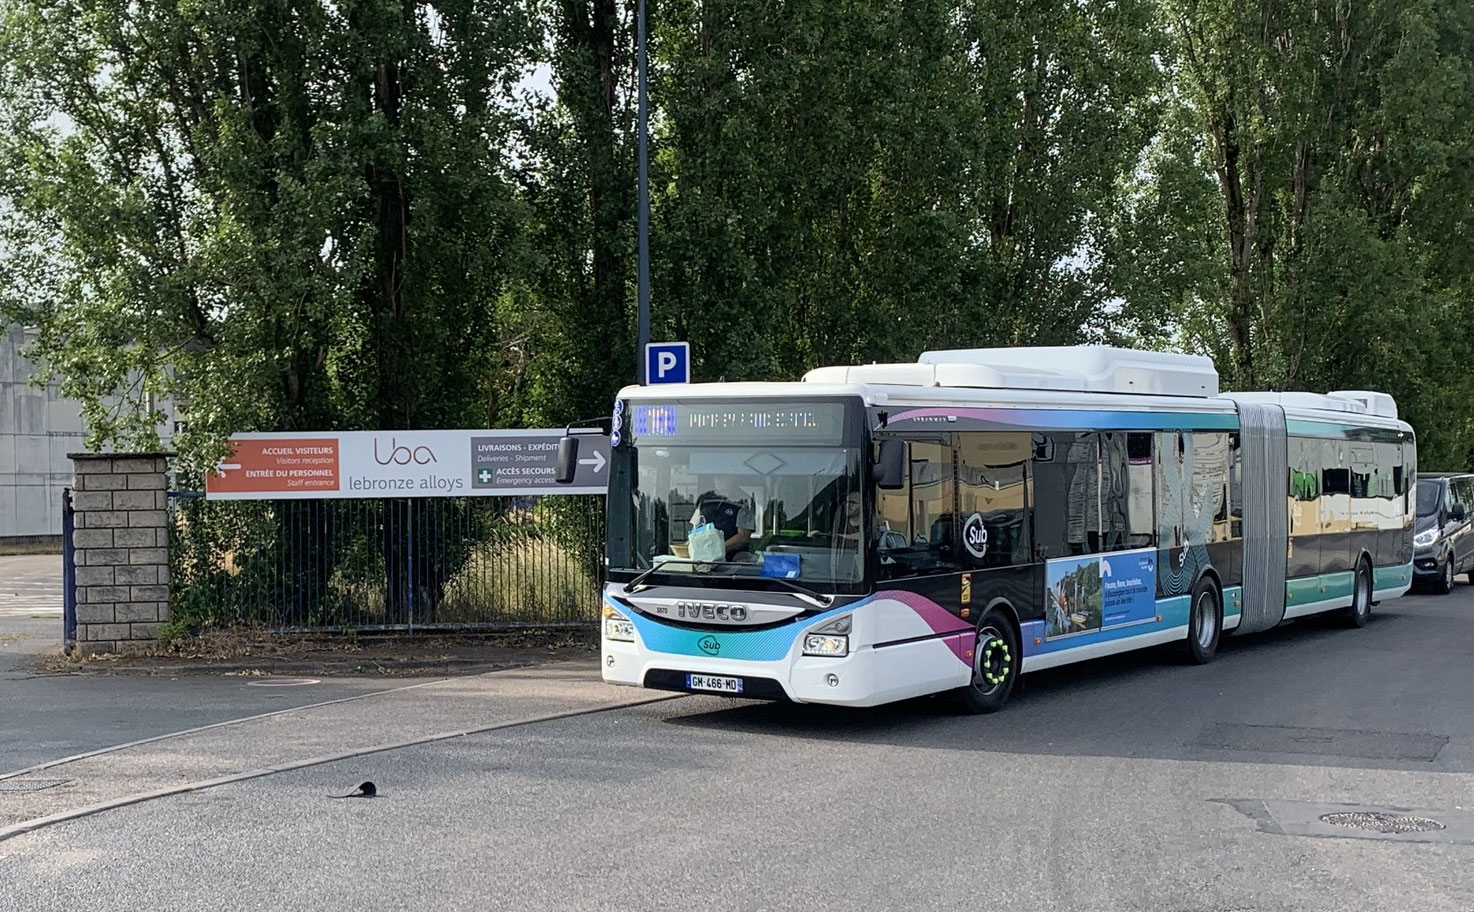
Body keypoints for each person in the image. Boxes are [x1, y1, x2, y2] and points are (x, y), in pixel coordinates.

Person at [692, 475, 755, 560]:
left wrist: (717, 549)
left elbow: (743, 536)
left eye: (722, 476)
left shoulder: (744, 500)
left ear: (733, 477)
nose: (717, 479)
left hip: (733, 562)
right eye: (715, 476)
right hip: (703, 558)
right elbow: (695, 529)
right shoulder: (705, 499)